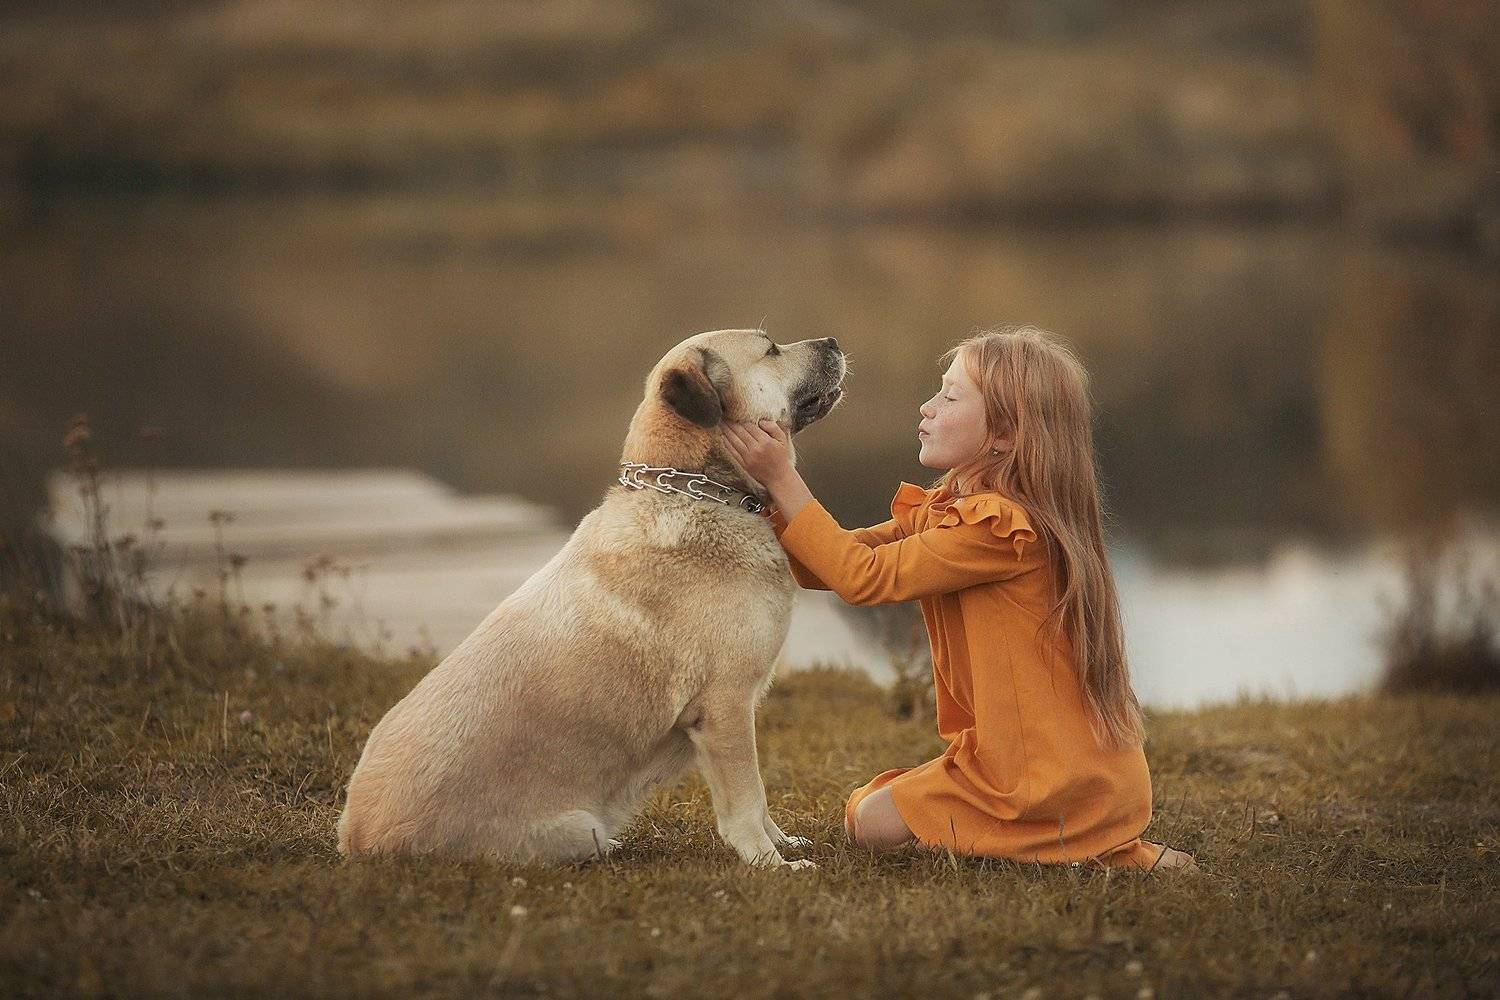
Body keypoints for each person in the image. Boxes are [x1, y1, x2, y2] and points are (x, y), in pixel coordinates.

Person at [723, 326, 1196, 871]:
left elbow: (861, 578)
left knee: (871, 823)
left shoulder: (1000, 529)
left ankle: (1098, 846)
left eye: (949, 397)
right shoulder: (955, 509)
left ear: (1004, 434)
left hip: (1050, 775)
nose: (926, 407)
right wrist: (755, 496)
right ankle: (1068, 838)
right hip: (1017, 761)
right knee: (868, 815)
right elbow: (829, 563)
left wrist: (784, 477)